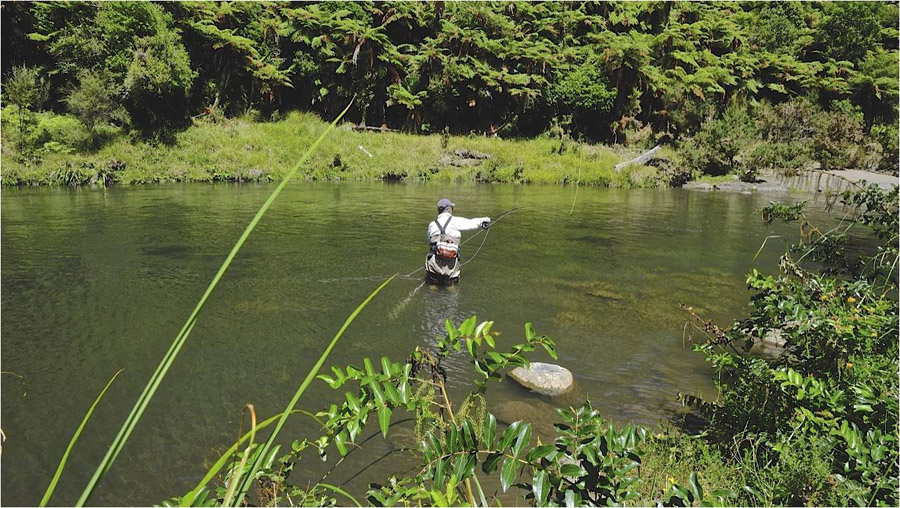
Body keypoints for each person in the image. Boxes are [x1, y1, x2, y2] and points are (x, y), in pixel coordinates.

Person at [425, 198, 490, 284]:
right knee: (452, 289)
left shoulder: (432, 224)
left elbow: (429, 240)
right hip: (451, 265)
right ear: (449, 210)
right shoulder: (455, 221)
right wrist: (485, 220)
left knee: (432, 286)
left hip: (434, 262)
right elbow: (471, 223)